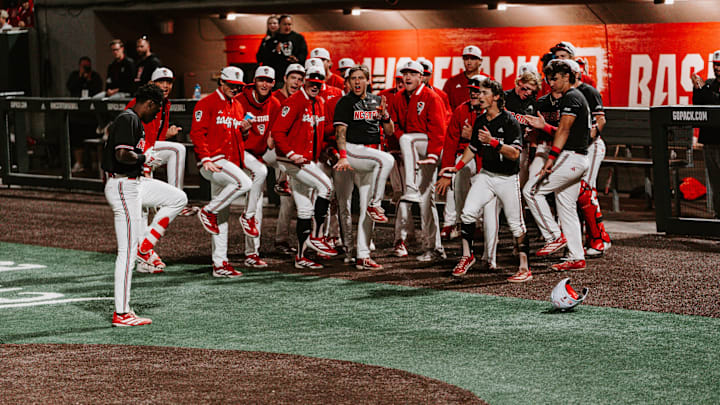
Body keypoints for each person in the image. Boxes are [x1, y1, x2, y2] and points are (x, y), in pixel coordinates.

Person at [103, 83, 188, 326]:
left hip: (135, 183)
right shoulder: (128, 119)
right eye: (157, 109)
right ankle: (121, 313)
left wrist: (142, 162)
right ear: (150, 104)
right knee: (126, 254)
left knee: (178, 198)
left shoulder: (133, 120)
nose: (156, 114)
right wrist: (144, 158)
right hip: (122, 187)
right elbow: (122, 155)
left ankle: (146, 244)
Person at [439, 78, 530, 282]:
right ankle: (467, 255)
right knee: (468, 213)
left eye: (484, 93)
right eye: (479, 93)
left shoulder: (510, 121)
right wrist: (457, 167)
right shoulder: (480, 120)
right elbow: (472, 148)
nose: (479, 96)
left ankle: (525, 268)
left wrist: (493, 142)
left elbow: (514, 154)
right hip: (487, 175)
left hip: (507, 178)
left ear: (496, 96)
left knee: (516, 225)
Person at [522, 60, 590, 272]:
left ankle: (553, 235)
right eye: (549, 78)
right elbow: (563, 130)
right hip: (575, 157)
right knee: (566, 206)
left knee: (531, 191)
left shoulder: (572, 96)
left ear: (567, 77)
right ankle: (576, 256)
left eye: (556, 78)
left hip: (571, 157)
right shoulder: (572, 97)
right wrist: (544, 126)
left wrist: (550, 159)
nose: (551, 82)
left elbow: (564, 131)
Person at [189, 66, 255, 277]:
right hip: (213, 161)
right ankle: (207, 210)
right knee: (244, 183)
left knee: (222, 216)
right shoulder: (206, 102)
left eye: (238, 87)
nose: (235, 90)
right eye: (231, 85)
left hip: (228, 163)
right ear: (221, 83)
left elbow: (237, 139)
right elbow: (197, 133)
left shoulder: (236, 106)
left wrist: (243, 131)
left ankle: (220, 263)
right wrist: (205, 158)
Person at [272, 63, 338, 269]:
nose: (315, 86)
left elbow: (320, 132)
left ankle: (301, 257)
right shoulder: (294, 101)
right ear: (304, 81)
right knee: (326, 187)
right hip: (291, 160)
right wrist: (291, 154)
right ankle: (318, 236)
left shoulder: (318, 102)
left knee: (304, 210)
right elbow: (278, 132)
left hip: (306, 158)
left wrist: (335, 138)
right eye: (311, 82)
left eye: (319, 83)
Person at [333, 64, 396, 270]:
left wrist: (385, 115)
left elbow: (389, 131)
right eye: (353, 79)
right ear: (349, 82)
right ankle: (348, 247)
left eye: (361, 78)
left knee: (366, 209)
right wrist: (343, 156)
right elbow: (340, 133)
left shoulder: (376, 101)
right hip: (351, 151)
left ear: (368, 80)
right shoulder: (345, 102)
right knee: (344, 204)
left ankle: (362, 255)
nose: (357, 82)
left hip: (370, 154)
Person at [436, 74, 502, 271]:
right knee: (461, 170)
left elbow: (501, 145)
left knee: (493, 213)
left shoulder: (499, 113)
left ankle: (491, 257)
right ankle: (457, 221)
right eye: (472, 90)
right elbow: (450, 144)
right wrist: (446, 173)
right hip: (470, 159)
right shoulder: (461, 110)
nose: (475, 94)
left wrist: (472, 135)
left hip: (495, 167)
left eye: (480, 90)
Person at [391, 60, 447, 262]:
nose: (407, 77)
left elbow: (439, 131)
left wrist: (433, 155)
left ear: (421, 76)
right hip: (414, 151)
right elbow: (396, 124)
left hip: (429, 147)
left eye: (412, 73)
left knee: (407, 138)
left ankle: (410, 186)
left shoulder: (431, 97)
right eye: (405, 73)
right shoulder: (398, 97)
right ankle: (434, 247)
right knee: (426, 201)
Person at [125, 67, 197, 218]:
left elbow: (153, 135)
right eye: (161, 81)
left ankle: (174, 200)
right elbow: (128, 133)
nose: (166, 85)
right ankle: (172, 200)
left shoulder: (165, 103)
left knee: (176, 150)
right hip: (133, 153)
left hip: (148, 148)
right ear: (151, 83)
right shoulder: (138, 103)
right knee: (177, 150)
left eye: (169, 82)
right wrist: (142, 156)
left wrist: (165, 134)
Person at [235, 65, 282, 268]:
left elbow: (273, 137)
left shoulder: (275, 104)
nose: (264, 84)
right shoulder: (239, 101)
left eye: (268, 81)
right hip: (237, 152)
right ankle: (248, 215)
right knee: (260, 172)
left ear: (273, 84)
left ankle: (251, 254)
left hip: (258, 155)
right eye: (261, 80)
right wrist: (243, 133)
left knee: (259, 202)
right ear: (254, 81)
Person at [270, 63, 305, 255]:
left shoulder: (302, 98)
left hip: (291, 153)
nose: (297, 82)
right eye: (293, 78)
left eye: (300, 79)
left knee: (294, 198)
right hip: (273, 150)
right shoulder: (275, 98)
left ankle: (294, 241)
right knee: (286, 199)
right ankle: (280, 240)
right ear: (285, 78)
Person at [691, 49, 720, 218]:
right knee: (716, 184)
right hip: (710, 141)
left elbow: (715, 103)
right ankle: (718, 218)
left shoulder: (707, 87)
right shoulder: (708, 84)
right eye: (715, 65)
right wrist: (698, 89)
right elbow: (699, 109)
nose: (717, 69)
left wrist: (704, 89)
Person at [66, 56, 103, 174]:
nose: (86, 68)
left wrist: (89, 79)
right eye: (83, 66)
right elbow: (70, 87)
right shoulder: (75, 75)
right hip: (77, 114)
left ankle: (95, 164)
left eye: (87, 66)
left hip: (91, 115)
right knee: (77, 140)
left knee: (93, 140)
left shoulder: (95, 77)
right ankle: (79, 163)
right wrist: (81, 77)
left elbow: (98, 90)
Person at [266, 15, 307, 87]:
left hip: (295, 76)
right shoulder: (271, 40)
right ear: (279, 25)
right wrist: (276, 52)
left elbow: (303, 53)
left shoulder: (298, 38)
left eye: (289, 24)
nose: (287, 27)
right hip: (279, 77)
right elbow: (265, 59)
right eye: (285, 24)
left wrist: (297, 59)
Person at [442, 45, 483, 111]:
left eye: (473, 59)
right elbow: (444, 107)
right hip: (457, 119)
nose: (469, 62)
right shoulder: (452, 81)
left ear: (480, 61)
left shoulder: (489, 80)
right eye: (466, 58)